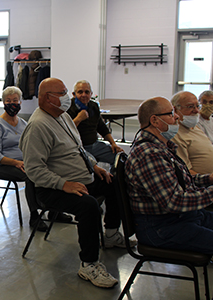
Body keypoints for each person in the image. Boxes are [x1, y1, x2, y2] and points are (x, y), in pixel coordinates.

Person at [19, 77, 132, 289]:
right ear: (46, 98)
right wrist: (64, 184)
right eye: (61, 93)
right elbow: (34, 170)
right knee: (88, 205)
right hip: (51, 189)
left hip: (80, 178)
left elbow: (77, 149)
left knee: (114, 182)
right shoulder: (38, 126)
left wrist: (93, 166)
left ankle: (110, 235)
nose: (66, 98)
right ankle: (88, 264)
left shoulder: (62, 117)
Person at [126, 96, 213, 300]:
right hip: (163, 228)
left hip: (183, 219)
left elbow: (180, 183)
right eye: (171, 113)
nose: (177, 117)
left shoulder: (162, 146)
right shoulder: (148, 153)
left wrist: (208, 179)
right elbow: (175, 202)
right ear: (155, 121)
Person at [0, 86, 72, 232]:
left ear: (20, 103)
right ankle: (35, 216)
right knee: (31, 175)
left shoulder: (23, 123)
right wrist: (16, 162)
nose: (12, 104)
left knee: (53, 168)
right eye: (8, 101)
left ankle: (55, 210)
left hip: (24, 161)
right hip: (4, 165)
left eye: (15, 100)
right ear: (3, 103)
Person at [67, 80, 123, 166]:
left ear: (91, 94)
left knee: (120, 158)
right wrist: (78, 119)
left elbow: (101, 127)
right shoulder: (68, 108)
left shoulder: (93, 106)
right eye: (80, 92)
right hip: (78, 148)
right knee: (91, 165)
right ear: (74, 94)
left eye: (87, 92)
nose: (84, 95)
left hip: (94, 145)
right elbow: (66, 131)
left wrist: (113, 144)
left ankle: (114, 178)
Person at [170, 91, 213, 175]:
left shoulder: (194, 127)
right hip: (207, 183)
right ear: (175, 110)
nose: (196, 111)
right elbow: (185, 171)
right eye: (190, 107)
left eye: (197, 106)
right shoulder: (175, 134)